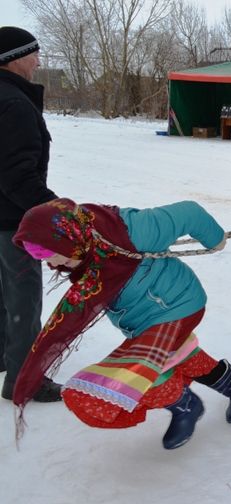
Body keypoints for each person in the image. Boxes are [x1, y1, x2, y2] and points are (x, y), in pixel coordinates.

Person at [12, 198, 231, 449]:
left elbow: (189, 212)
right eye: (41, 258)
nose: (52, 264)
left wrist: (215, 240)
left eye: (49, 254)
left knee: (140, 370)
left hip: (176, 304)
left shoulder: (127, 229)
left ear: (64, 237)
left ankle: (185, 405)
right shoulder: (83, 246)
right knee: (179, 356)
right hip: (144, 320)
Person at [0, 26, 62, 402]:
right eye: (35, 53)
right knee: (23, 297)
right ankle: (24, 379)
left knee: (3, 293)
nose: (39, 61)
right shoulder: (15, 104)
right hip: (11, 221)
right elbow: (17, 174)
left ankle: (5, 355)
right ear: (16, 57)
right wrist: (57, 209)